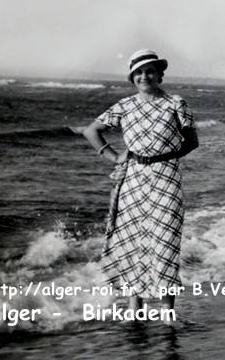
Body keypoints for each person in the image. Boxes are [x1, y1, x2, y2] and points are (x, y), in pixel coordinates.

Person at [83, 49, 199, 320]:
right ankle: (136, 310)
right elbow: (92, 131)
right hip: (133, 178)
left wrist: (164, 156)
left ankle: (167, 311)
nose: (144, 76)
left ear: (160, 74)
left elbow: (192, 142)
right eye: (139, 72)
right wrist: (113, 155)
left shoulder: (176, 103)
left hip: (166, 177)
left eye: (150, 71)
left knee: (166, 240)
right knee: (132, 241)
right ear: (132, 78)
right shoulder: (124, 105)